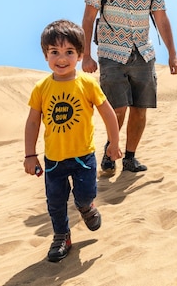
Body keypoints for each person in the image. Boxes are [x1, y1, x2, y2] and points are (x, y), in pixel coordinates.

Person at [82, 0, 177, 173]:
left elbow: (161, 18)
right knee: (118, 107)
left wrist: (172, 53)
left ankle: (130, 158)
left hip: (143, 52)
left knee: (140, 108)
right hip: (111, 52)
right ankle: (110, 150)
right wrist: (86, 55)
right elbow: (88, 17)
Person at [23, 19, 122, 262]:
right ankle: (61, 236)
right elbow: (33, 122)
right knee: (55, 204)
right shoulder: (41, 88)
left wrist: (114, 143)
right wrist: (29, 154)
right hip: (54, 160)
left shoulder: (87, 83)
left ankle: (87, 207)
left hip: (83, 157)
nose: (61, 58)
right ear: (46, 55)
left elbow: (108, 112)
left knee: (84, 195)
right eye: (54, 52)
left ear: (79, 55)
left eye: (69, 52)